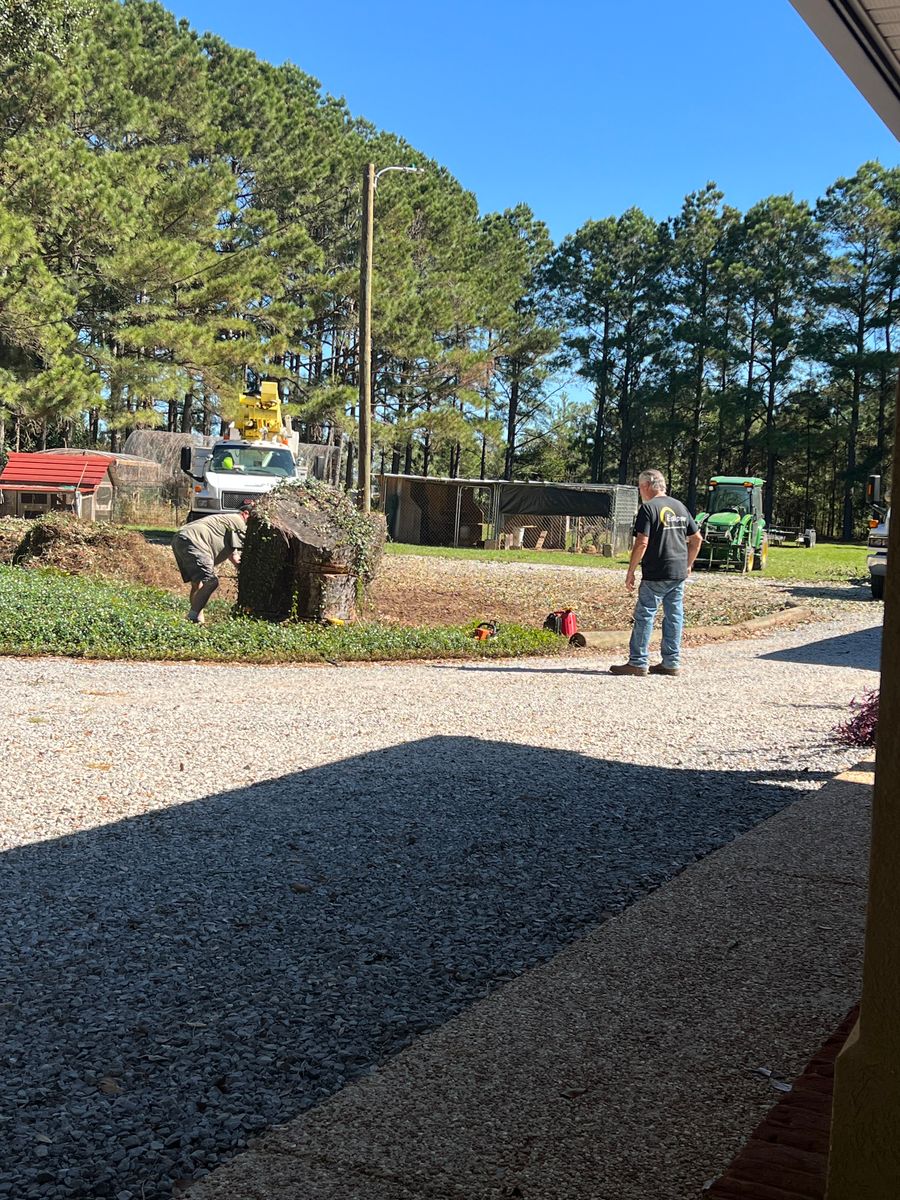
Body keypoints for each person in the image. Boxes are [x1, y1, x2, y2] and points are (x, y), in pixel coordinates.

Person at [610, 469, 702, 678]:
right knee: (674, 616)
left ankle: (638, 662)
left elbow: (642, 542)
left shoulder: (648, 508)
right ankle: (671, 662)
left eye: (640, 487)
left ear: (646, 486)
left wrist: (631, 570)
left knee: (645, 615)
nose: (640, 490)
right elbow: (697, 539)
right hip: (678, 572)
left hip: (656, 572)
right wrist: (688, 564)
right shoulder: (679, 506)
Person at [171, 502, 254, 624]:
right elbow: (250, 544)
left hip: (180, 538)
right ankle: (191, 618)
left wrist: (243, 571)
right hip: (194, 541)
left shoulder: (227, 522)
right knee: (211, 582)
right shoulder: (238, 521)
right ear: (245, 513)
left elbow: (234, 556)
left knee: (197, 583)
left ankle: (198, 620)